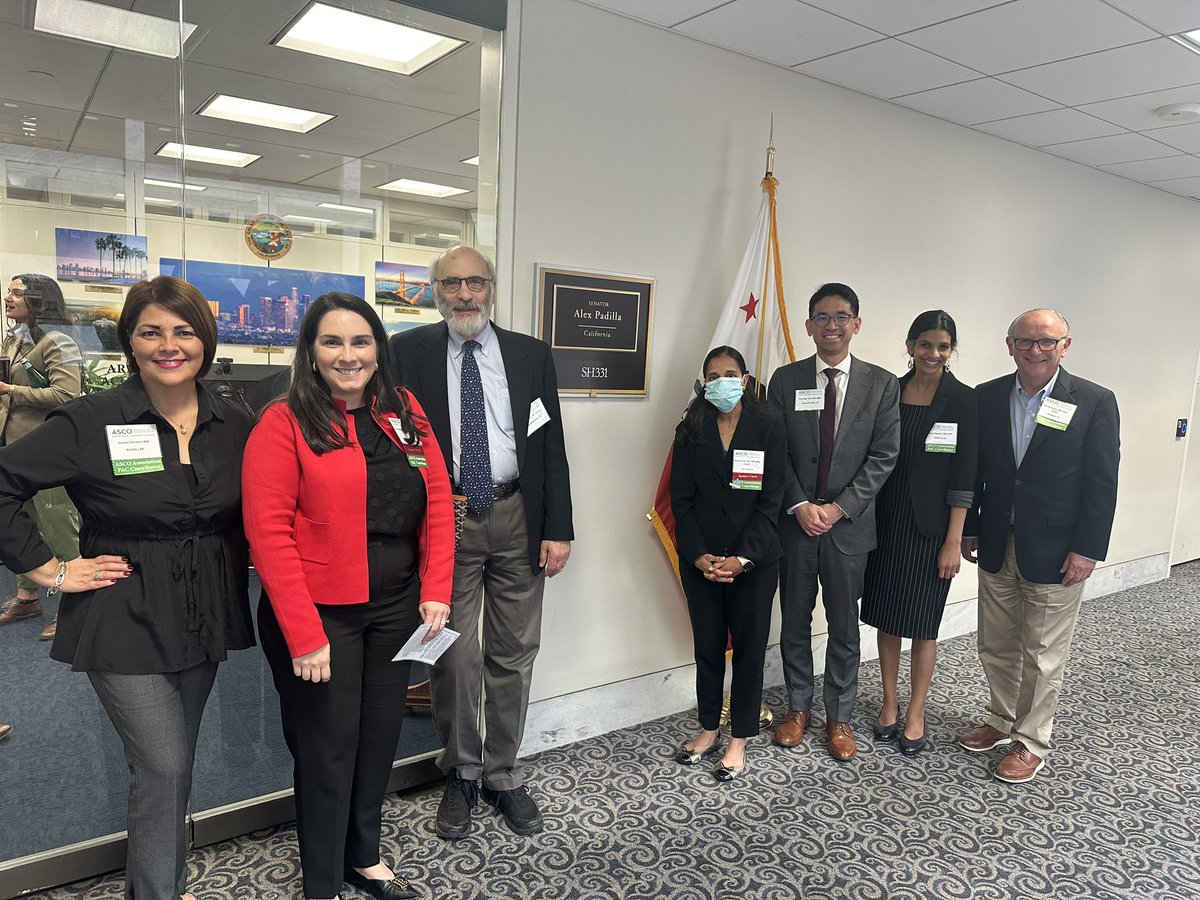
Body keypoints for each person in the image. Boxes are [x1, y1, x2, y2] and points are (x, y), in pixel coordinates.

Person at [0, 275, 255, 900]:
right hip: (123, 611)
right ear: (130, 341)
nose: (169, 346)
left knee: (170, 768)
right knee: (164, 766)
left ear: (205, 340)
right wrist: (50, 570)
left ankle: (162, 881)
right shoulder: (92, 419)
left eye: (184, 331)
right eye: (151, 332)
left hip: (204, 610)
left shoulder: (234, 423)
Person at [243, 292, 454, 900]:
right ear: (310, 352)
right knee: (328, 747)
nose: (347, 355)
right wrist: (304, 635)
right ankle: (322, 880)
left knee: (378, 738)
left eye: (360, 341)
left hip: (395, 606)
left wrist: (435, 589)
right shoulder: (282, 422)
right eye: (332, 342)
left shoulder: (404, 410)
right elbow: (269, 535)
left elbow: (438, 502)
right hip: (319, 612)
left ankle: (363, 855)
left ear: (378, 350)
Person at [389, 246, 573, 839]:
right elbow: (395, 443)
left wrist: (558, 526)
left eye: (475, 282)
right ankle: (461, 773)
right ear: (434, 290)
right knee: (454, 653)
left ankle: (502, 774)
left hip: (520, 512)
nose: (464, 294)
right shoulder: (406, 353)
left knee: (514, 652)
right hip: (451, 517)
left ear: (491, 287)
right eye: (452, 283)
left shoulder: (529, 354)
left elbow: (551, 447)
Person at [959, 308, 1119, 783]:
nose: (1035, 350)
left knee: (1043, 651)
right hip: (995, 541)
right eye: (1024, 341)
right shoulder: (986, 397)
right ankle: (1000, 718)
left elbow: (1101, 482)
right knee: (997, 643)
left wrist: (1088, 548)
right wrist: (969, 525)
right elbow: (973, 468)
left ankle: (1031, 741)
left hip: (1057, 549)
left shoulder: (1093, 400)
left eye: (1046, 342)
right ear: (1009, 345)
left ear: (1065, 346)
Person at [767, 282, 900, 761]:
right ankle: (798, 708)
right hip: (797, 524)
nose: (832, 325)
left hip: (849, 530)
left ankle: (839, 717)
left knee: (844, 626)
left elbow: (883, 457)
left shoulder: (883, 384)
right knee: (795, 622)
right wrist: (800, 504)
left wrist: (839, 508)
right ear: (809, 326)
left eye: (841, 316)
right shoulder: (785, 381)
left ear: (856, 324)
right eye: (822, 317)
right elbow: (774, 452)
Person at [860, 311, 977, 754]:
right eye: (925, 344)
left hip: (931, 532)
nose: (933, 353)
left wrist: (953, 540)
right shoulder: (890, 390)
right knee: (888, 618)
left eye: (943, 346)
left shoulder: (963, 401)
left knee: (924, 625)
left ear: (951, 351)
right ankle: (889, 704)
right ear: (910, 345)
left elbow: (965, 477)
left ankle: (916, 711)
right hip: (885, 522)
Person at [670, 346, 785, 781]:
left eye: (731, 373)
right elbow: (680, 501)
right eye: (714, 375)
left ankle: (740, 739)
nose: (723, 382)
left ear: (745, 377)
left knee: (750, 650)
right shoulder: (690, 428)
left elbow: (770, 502)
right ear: (704, 382)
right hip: (701, 562)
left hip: (753, 562)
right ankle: (708, 728)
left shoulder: (769, 426)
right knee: (708, 648)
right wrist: (699, 555)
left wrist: (741, 558)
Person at [0, 274, 84, 641]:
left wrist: (11, 390)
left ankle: (77, 608)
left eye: (17, 292)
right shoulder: (16, 339)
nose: (7, 297)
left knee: (58, 528)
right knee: (19, 526)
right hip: (14, 451)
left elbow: (69, 395)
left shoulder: (58, 341)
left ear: (37, 299)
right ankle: (27, 597)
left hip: (45, 452)